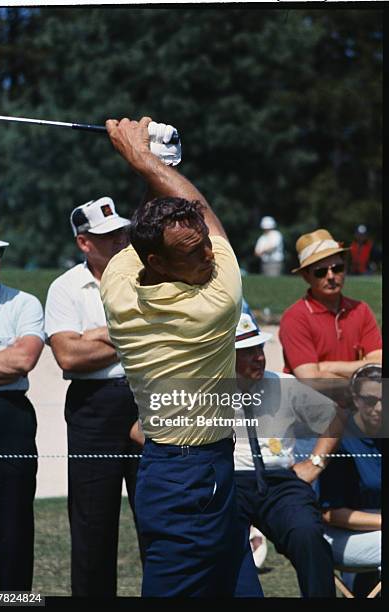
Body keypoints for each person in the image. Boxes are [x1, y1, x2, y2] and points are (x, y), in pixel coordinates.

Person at [100, 116, 262, 597]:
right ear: (158, 263)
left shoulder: (118, 284)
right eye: (194, 253)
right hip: (188, 477)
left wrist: (151, 160)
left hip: (185, 470)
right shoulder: (214, 303)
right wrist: (144, 157)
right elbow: (200, 208)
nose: (209, 255)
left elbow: (161, 221)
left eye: (206, 246)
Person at [44, 197, 144, 597]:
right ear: (84, 243)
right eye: (108, 236)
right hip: (92, 406)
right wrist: (129, 336)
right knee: (92, 524)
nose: (121, 240)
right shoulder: (65, 287)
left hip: (144, 399)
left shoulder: (146, 278)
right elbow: (69, 355)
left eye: (121, 232)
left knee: (155, 516)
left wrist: (98, 336)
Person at [233, 312, 337, 597]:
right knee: (225, 541)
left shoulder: (283, 383)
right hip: (230, 480)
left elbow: (335, 416)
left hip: (280, 480)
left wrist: (316, 462)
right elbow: (143, 430)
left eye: (260, 349)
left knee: (307, 532)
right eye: (248, 352)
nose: (258, 357)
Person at [0, 220, 44, 591]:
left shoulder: (24, 302)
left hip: (10, 419)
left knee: (14, 529)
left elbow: (22, 361)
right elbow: (7, 361)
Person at [279, 229, 382, 382]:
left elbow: (379, 364)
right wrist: (360, 384)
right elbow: (311, 378)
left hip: (357, 402)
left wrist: (327, 367)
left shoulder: (361, 310)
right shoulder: (295, 317)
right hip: (309, 404)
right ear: (306, 276)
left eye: (337, 268)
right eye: (320, 272)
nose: (331, 276)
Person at [318, 364, 381, 597]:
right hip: (341, 534)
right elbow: (330, 513)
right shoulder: (341, 441)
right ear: (355, 399)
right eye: (370, 400)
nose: (379, 408)